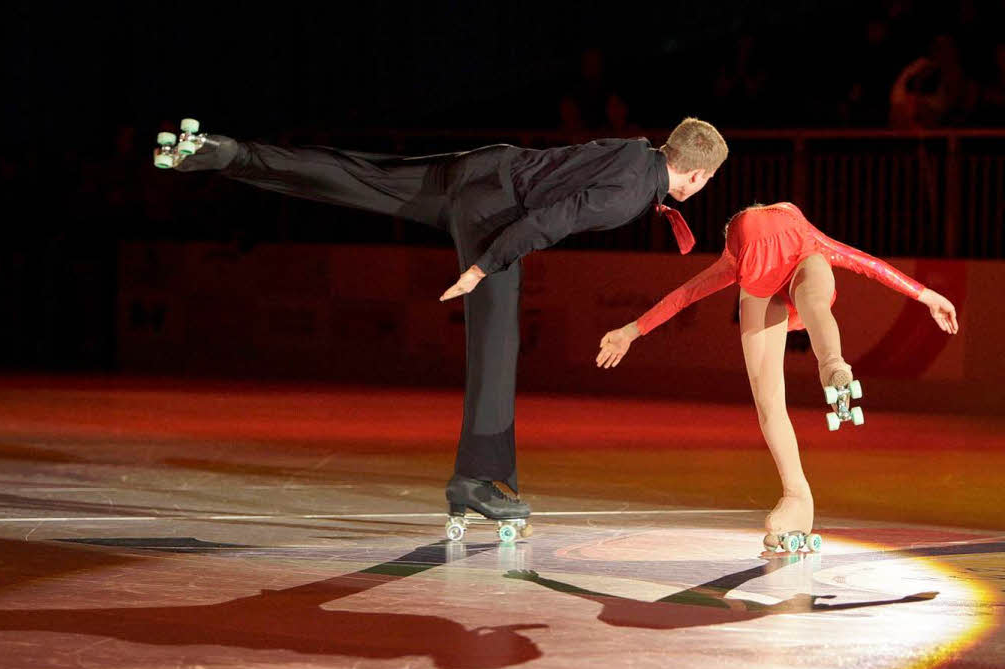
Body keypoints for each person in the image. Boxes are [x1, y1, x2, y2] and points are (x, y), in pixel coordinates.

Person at [162, 118, 728, 522]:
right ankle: (475, 479)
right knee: (498, 343)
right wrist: (481, 268)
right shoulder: (629, 194)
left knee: (364, 175)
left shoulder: (635, 151)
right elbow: (549, 223)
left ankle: (222, 151)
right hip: (495, 214)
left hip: (480, 167)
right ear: (699, 177)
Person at [595, 202, 958, 549]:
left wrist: (631, 331)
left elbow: (684, 296)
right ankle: (832, 369)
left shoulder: (744, 258)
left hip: (786, 267)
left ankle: (823, 401)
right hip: (780, 274)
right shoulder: (768, 250)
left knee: (770, 400)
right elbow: (870, 265)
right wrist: (926, 295)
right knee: (796, 341)